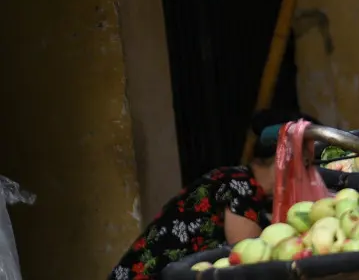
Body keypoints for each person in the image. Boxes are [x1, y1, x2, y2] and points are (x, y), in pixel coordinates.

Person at [108, 110, 316, 279]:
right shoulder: (238, 185)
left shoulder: (244, 186)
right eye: (307, 163)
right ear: (286, 157)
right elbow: (250, 264)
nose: (310, 174)